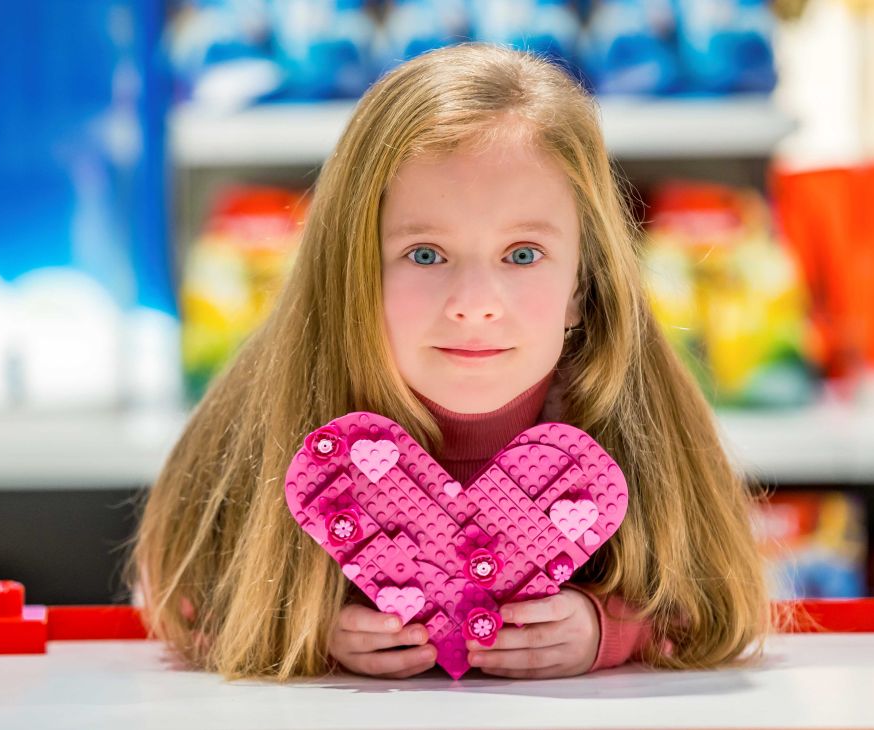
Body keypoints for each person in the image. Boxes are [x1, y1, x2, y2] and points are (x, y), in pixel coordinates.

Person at [129, 42, 771, 681]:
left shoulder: (641, 420)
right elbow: (182, 595)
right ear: (352, 272)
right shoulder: (273, 407)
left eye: (522, 255)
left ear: (582, 284)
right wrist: (313, 632)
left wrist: (610, 631)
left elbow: (720, 605)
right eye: (426, 254)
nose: (473, 305)